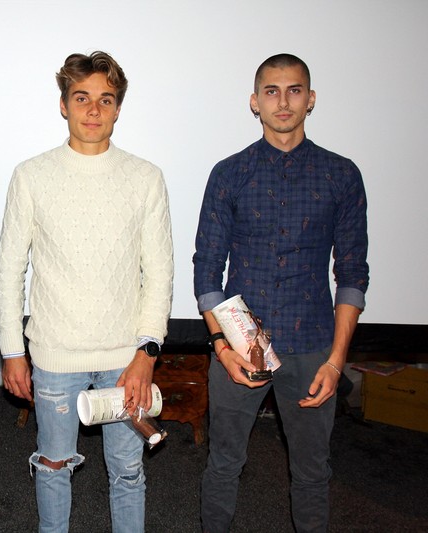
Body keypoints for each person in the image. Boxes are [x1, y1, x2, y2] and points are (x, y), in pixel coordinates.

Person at [0, 51, 174, 533]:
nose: (93, 110)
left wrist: (146, 354)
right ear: (63, 105)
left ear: (118, 109)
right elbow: (9, 269)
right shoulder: (31, 175)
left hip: (126, 360)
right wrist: (12, 351)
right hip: (54, 357)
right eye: (82, 98)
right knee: (53, 469)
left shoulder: (146, 178)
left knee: (129, 472)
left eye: (105, 100)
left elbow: (160, 273)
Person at [193, 53, 369, 533]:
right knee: (223, 463)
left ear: (310, 99)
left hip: (313, 348)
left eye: (294, 90)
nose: (283, 101)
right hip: (238, 345)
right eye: (271, 91)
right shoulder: (229, 173)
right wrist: (222, 347)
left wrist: (336, 362)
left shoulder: (341, 174)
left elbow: (352, 272)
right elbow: (207, 268)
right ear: (255, 102)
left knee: (312, 473)